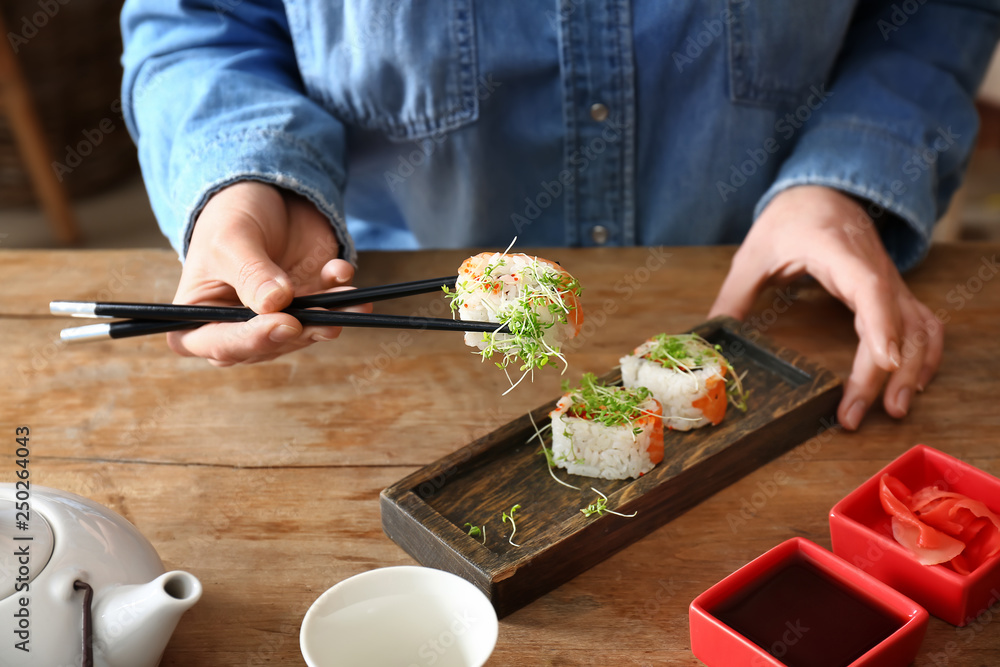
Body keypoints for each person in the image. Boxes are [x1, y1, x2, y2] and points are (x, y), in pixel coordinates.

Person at [120, 1, 1000, 430]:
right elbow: (196, 22)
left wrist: (848, 174)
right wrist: (241, 185)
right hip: (367, 332)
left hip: (773, 298)